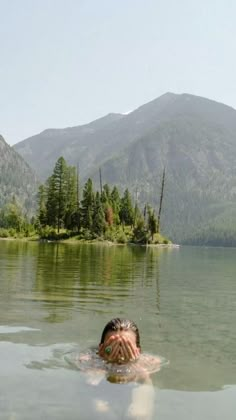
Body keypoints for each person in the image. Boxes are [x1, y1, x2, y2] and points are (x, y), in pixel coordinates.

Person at [77, 318, 163, 419]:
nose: (119, 353)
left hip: (133, 386)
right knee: (101, 412)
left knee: (139, 416)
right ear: (101, 348)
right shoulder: (88, 359)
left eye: (126, 347)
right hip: (101, 388)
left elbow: (145, 383)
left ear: (138, 350)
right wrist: (106, 363)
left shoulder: (149, 361)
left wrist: (132, 365)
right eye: (112, 347)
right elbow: (91, 381)